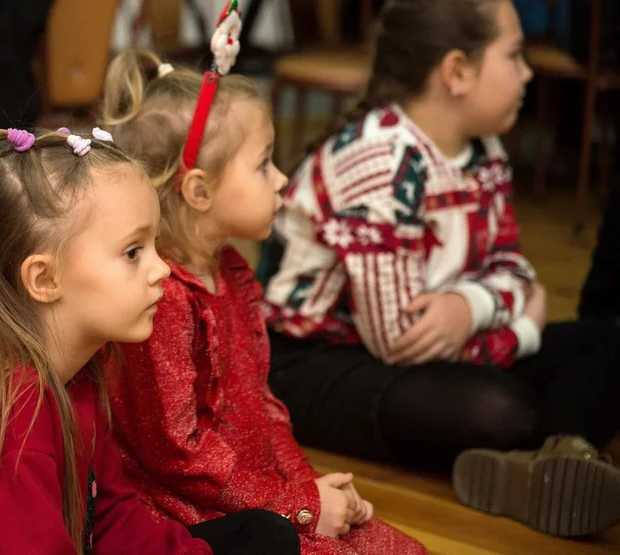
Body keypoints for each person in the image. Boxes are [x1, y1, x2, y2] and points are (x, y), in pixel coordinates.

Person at [0, 127, 301, 555]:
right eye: (133, 252)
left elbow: (109, 518)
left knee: (264, 536)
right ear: (44, 278)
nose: (161, 270)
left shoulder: (80, 371)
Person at [259, 0, 620, 538]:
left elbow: (512, 267)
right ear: (456, 72)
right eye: (514, 56)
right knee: (501, 411)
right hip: (319, 362)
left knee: (610, 340)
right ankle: (554, 448)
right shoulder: (381, 162)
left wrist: (470, 306)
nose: (528, 72)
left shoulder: (484, 147)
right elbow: (400, 339)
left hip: (443, 336)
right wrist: (523, 325)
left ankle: (549, 460)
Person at [97, 13, 426, 553]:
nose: (282, 179)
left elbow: (263, 404)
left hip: (261, 493)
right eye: (264, 164)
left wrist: (310, 488)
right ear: (199, 191)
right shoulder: (164, 300)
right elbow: (177, 457)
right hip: (193, 510)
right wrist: (299, 506)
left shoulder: (231, 273)